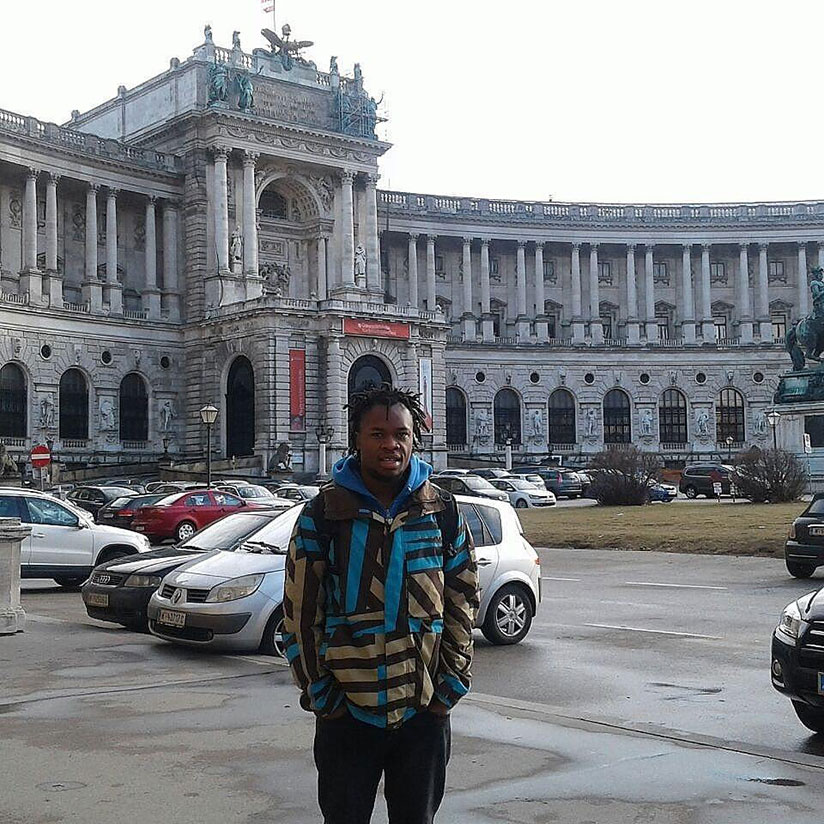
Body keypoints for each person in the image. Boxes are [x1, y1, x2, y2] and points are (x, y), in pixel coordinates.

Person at [283, 386, 479, 824]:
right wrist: (322, 696)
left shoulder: (441, 510)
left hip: (422, 710)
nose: (391, 444)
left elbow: (462, 600)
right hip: (347, 714)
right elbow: (299, 614)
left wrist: (448, 688)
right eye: (377, 433)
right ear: (356, 438)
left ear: (413, 440)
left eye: (401, 434)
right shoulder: (323, 515)